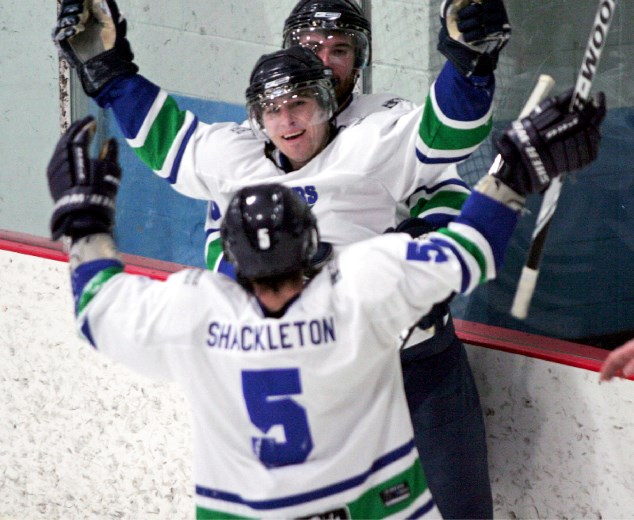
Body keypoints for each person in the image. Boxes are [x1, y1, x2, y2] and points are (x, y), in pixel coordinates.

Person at [53, 0, 510, 518]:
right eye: (309, 48)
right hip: (303, 369)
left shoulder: (383, 127)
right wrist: (108, 71)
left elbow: (448, 140)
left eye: (339, 50)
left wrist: (470, 65)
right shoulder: (237, 152)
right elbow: (171, 141)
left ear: (357, 63)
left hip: (412, 364)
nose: (291, 118)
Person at [46, 87, 605, 518]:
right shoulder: (363, 285)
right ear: (314, 244)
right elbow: (473, 248)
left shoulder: (197, 311)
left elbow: (97, 306)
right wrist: (515, 170)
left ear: (229, 255)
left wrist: (82, 222)